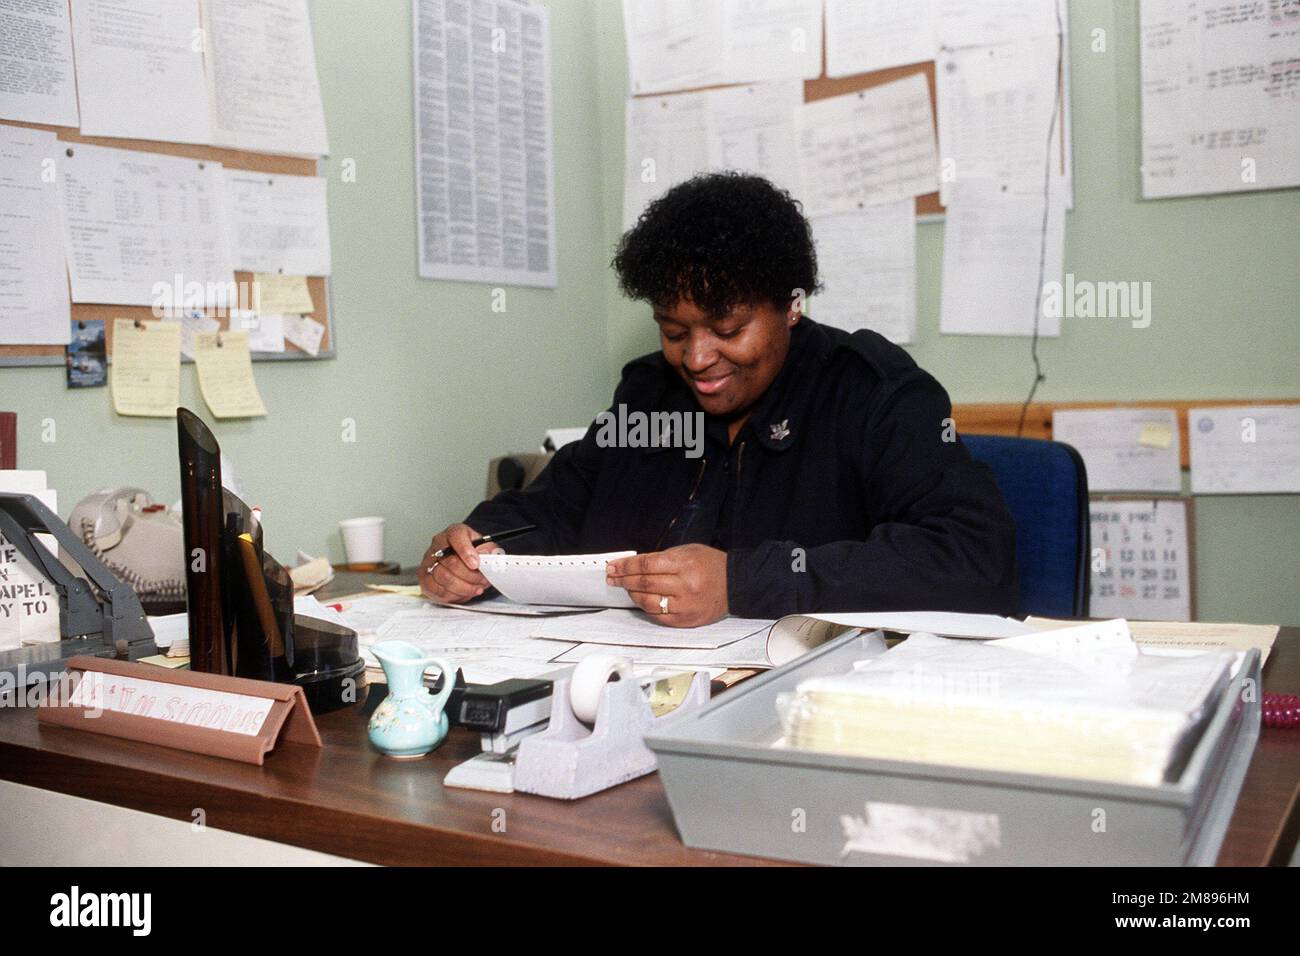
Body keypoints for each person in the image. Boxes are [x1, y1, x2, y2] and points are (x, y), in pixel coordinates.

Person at [420, 172, 1018, 627]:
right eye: (674, 332)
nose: (697, 359)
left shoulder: (870, 393)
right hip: (642, 690)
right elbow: (561, 506)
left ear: (790, 305)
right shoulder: (653, 398)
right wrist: (478, 545)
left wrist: (742, 581)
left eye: (728, 330)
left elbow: (972, 555)